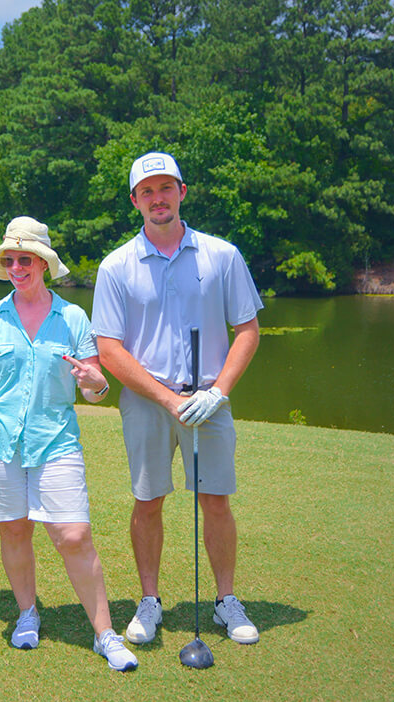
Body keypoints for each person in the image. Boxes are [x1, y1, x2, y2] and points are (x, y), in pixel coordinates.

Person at [0, 216, 139, 672]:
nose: (17, 266)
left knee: (73, 534)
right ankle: (27, 614)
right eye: (10, 259)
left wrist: (95, 382)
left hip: (55, 441)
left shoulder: (73, 318)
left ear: (44, 263)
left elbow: (94, 388)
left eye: (25, 258)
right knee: (14, 529)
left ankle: (105, 634)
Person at [92, 152, 264, 647]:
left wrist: (219, 392)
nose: (157, 198)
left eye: (166, 188)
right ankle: (150, 600)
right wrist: (168, 400)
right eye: (147, 191)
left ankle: (226, 600)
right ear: (134, 201)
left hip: (209, 400)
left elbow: (248, 330)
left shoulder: (221, 255)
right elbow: (109, 349)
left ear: (182, 192)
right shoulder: (116, 265)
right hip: (148, 403)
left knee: (215, 501)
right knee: (148, 501)